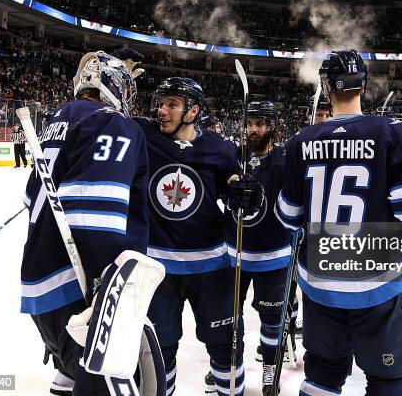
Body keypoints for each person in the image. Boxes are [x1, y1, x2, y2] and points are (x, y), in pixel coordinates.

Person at [275, 50, 402, 396]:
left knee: (321, 377)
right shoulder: (393, 133)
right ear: (364, 86)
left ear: (326, 88)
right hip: (377, 281)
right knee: (391, 379)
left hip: (321, 282)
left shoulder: (301, 142)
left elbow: (288, 217)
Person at [20, 50, 153, 396]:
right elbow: (95, 215)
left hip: (42, 282)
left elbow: (30, 196)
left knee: (71, 376)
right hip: (79, 289)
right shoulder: (113, 123)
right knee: (112, 383)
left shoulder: (58, 120)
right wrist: (107, 291)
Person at [135, 77, 262, 396]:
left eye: (172, 104)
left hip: (212, 270)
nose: (162, 110)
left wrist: (247, 196)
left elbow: (238, 197)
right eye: (161, 103)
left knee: (225, 349)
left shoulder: (220, 149)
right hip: (158, 271)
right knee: (159, 352)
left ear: (192, 110)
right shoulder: (144, 135)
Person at [225, 101, 294, 395]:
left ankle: (269, 371)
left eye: (260, 123)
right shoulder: (233, 157)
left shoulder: (286, 161)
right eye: (250, 123)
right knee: (230, 320)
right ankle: (230, 367)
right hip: (235, 256)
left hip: (274, 258)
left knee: (271, 323)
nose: (253, 129)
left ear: (273, 126)